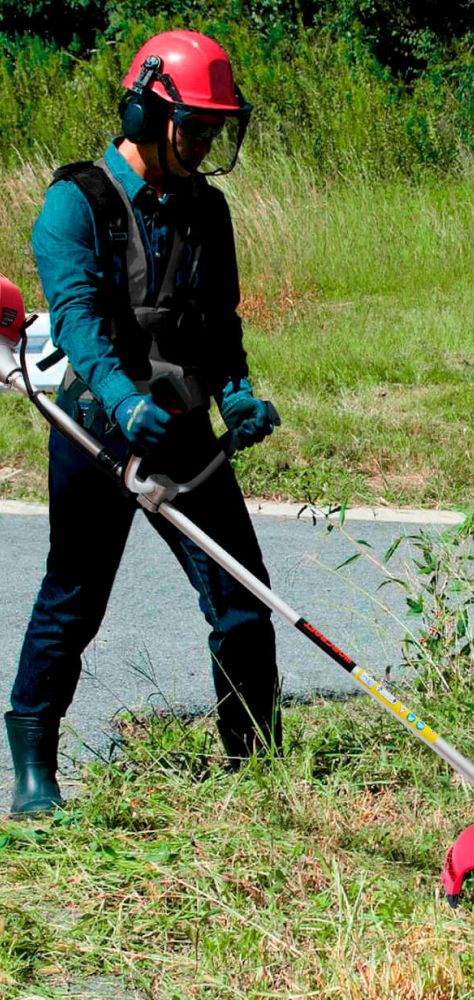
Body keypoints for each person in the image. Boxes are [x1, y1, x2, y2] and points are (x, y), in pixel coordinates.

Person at [6, 30, 282, 818]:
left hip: (187, 434)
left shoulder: (208, 210)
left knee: (241, 599)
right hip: (100, 431)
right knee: (74, 598)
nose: (204, 143)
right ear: (144, 108)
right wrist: (126, 404)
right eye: (193, 126)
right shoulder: (76, 202)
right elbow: (82, 326)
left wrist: (238, 397)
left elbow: (219, 325)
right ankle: (34, 770)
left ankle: (256, 769)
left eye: (214, 130)